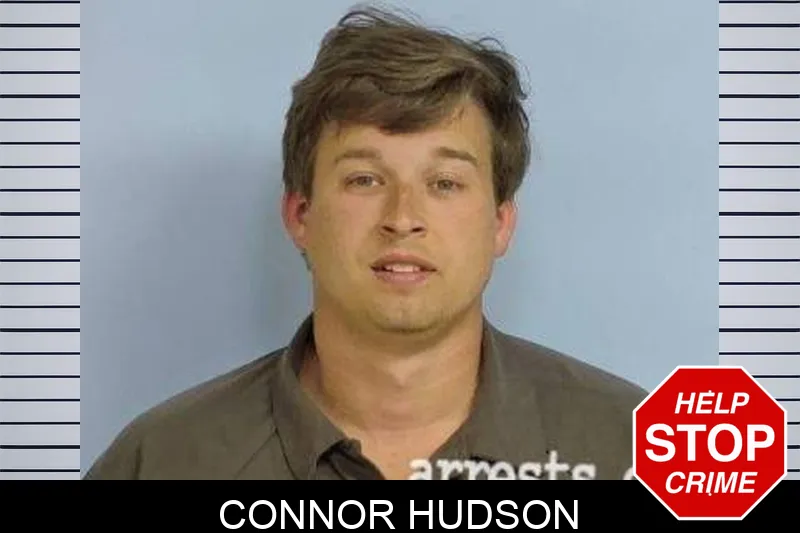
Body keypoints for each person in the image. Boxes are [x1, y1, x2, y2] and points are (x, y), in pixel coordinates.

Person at [84, 5, 647, 481]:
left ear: (501, 223)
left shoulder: (637, 450)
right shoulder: (163, 461)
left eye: (444, 183)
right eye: (364, 180)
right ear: (300, 215)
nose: (403, 219)